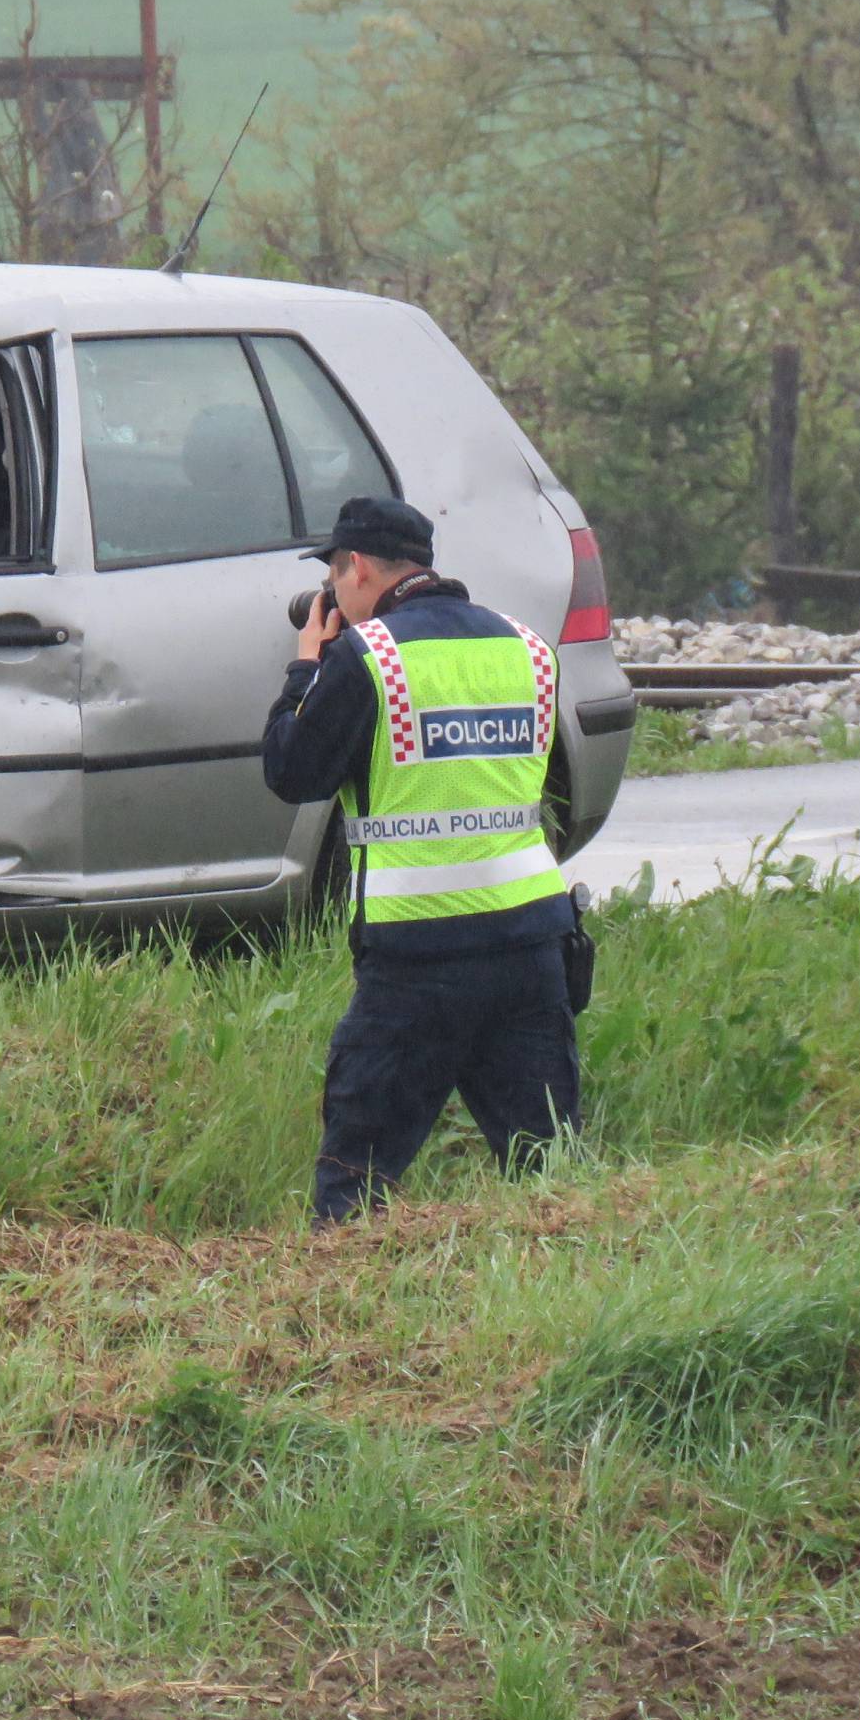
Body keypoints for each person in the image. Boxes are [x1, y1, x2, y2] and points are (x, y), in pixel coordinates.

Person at [262, 495, 580, 1223]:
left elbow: (291, 772)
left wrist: (306, 669)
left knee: (355, 1182)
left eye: (336, 578)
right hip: (531, 945)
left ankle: (336, 1312)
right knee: (551, 1179)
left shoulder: (368, 658)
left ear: (361, 568)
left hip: (417, 957)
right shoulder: (527, 648)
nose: (334, 596)